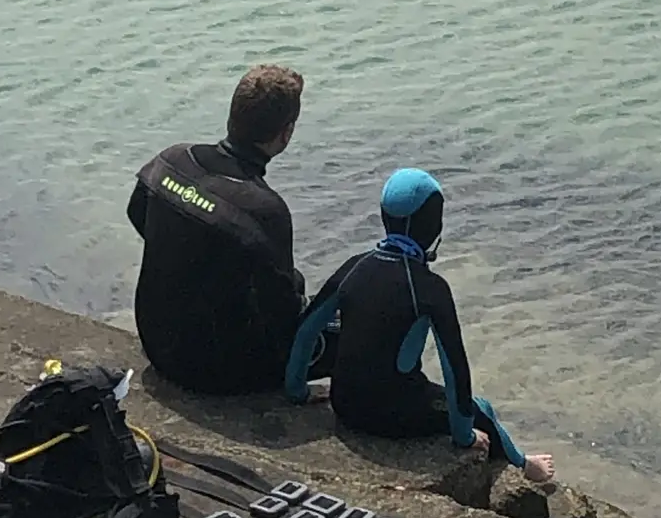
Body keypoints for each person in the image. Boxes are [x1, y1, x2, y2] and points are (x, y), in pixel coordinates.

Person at [286, 167, 554, 484]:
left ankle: (516, 461)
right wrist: (464, 436)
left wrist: (298, 391)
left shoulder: (353, 267)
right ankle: (525, 466)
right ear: (434, 226)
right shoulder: (429, 288)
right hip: (393, 416)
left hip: (344, 405)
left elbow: (306, 332)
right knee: (482, 408)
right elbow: (456, 371)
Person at [128, 64, 307, 395]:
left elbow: (137, 213)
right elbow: (282, 314)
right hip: (214, 372)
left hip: (154, 338)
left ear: (232, 117)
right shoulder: (265, 209)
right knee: (308, 299)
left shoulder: (171, 160)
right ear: (286, 133)